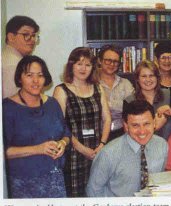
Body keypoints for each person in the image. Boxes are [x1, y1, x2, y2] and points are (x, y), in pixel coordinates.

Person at [3, 55, 70, 198]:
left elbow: (66, 133)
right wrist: (38, 149)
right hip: (22, 183)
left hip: (55, 179)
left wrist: (63, 143)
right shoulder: (7, 108)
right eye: (29, 75)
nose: (35, 81)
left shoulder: (52, 104)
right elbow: (4, 151)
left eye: (40, 75)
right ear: (19, 78)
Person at [53, 47, 111, 197]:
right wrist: (81, 149)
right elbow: (61, 126)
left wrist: (102, 145)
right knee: (76, 195)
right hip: (73, 154)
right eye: (79, 64)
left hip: (98, 151)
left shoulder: (98, 88)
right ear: (71, 65)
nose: (83, 68)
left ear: (93, 68)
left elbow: (107, 119)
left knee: (98, 192)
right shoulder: (61, 90)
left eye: (88, 65)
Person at [86, 100, 168, 197]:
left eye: (147, 124)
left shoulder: (162, 145)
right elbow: (93, 191)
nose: (142, 131)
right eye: (135, 125)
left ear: (154, 123)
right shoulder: (108, 154)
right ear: (126, 126)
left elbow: (158, 183)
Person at [97, 45, 134, 142]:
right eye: (108, 60)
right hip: (97, 133)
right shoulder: (92, 84)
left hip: (121, 132)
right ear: (100, 61)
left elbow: (131, 109)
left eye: (115, 61)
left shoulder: (126, 84)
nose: (111, 64)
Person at [123, 60, 170, 131]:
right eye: (144, 76)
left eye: (151, 75)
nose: (148, 80)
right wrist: (155, 127)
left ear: (157, 78)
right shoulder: (129, 101)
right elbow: (128, 132)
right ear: (137, 79)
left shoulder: (168, 93)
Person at [2, 15, 39, 98]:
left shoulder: (13, 59)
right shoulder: (12, 65)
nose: (32, 40)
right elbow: (12, 103)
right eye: (26, 34)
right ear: (11, 37)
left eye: (33, 35)